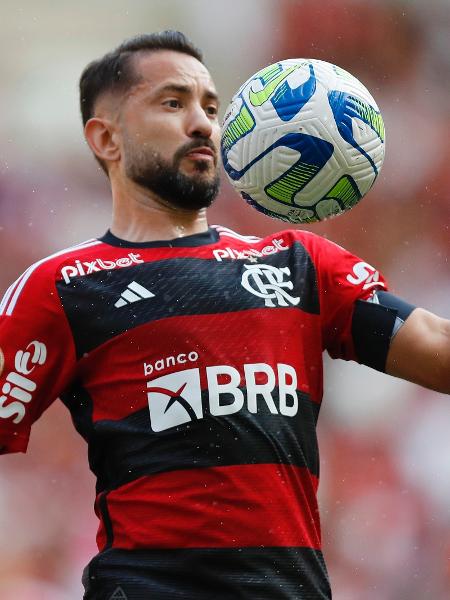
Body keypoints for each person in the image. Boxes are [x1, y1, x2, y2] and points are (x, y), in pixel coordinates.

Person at [0, 30, 448, 600]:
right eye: (172, 103)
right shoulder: (64, 285)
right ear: (106, 137)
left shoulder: (299, 264)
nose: (202, 123)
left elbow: (438, 349)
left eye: (210, 107)